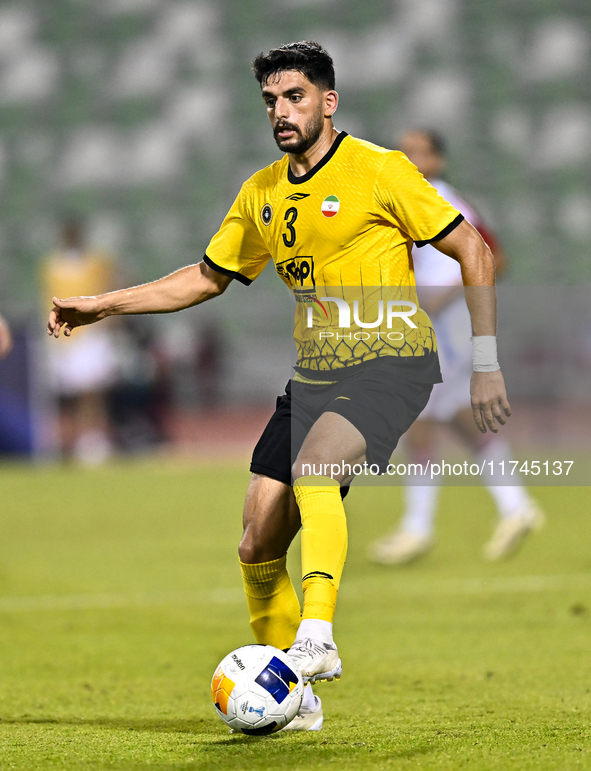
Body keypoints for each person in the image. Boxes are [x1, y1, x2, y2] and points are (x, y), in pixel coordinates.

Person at [47, 42, 511, 731]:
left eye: (293, 97)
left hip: (393, 361)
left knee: (313, 469)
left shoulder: (379, 170)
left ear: (327, 101)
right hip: (315, 375)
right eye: (270, 100)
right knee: (256, 545)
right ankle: (295, 702)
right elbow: (206, 276)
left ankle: (315, 639)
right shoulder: (261, 192)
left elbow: (473, 247)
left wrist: (484, 359)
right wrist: (104, 303)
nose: (280, 111)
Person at [368, 129, 543, 565]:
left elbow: (493, 257)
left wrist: (442, 296)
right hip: (427, 328)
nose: (407, 157)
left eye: (418, 152)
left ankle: (418, 527)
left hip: (445, 328)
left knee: (419, 419)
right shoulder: (404, 197)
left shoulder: (445, 199)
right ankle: (515, 506)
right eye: (402, 150)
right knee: (459, 419)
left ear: (438, 160)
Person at [42, 217, 119, 465]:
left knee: (93, 390)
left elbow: (109, 288)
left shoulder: (96, 262)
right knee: (70, 392)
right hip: (65, 337)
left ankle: (93, 440)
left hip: (92, 334)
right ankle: (71, 441)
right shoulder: (52, 265)